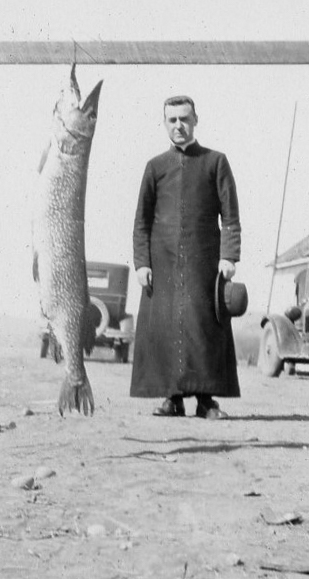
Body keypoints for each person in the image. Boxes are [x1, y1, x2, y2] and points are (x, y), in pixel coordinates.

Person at [130, 95, 242, 419]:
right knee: (165, 328)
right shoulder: (155, 167)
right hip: (161, 262)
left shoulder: (216, 162)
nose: (178, 125)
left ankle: (207, 402)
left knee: (203, 327)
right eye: (172, 120)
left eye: (184, 119)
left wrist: (229, 256)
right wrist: (141, 263)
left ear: (195, 120)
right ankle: (172, 399)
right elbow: (141, 221)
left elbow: (231, 217)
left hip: (204, 261)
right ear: (164, 123)